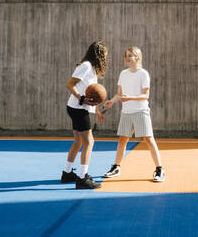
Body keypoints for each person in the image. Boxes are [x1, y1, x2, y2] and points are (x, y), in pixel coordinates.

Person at [103, 46, 165, 182]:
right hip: (126, 112)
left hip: (141, 111)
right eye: (126, 55)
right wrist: (112, 101)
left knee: (148, 139)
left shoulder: (143, 74)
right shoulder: (123, 74)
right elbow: (119, 94)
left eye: (130, 55)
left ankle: (160, 169)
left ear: (137, 57)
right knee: (122, 140)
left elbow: (145, 95)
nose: (127, 58)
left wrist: (130, 97)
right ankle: (116, 167)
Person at [61, 41, 108, 189]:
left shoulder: (91, 69)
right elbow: (70, 84)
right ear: (98, 54)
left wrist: (98, 110)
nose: (105, 58)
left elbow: (91, 94)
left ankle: (67, 172)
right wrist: (81, 98)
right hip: (77, 108)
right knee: (89, 141)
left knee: (79, 141)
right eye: (104, 55)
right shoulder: (86, 66)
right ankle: (82, 178)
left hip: (77, 108)